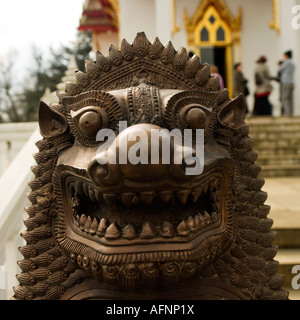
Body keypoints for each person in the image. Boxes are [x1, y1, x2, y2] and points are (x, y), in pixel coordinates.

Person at [278, 50, 295, 116]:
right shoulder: (293, 63)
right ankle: (291, 112)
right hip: (291, 82)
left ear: (286, 56)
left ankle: (287, 113)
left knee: (285, 98)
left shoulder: (286, 63)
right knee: (290, 98)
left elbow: (279, 69)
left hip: (286, 82)